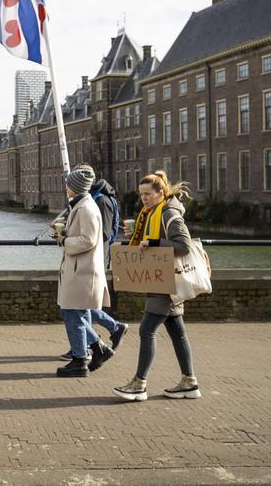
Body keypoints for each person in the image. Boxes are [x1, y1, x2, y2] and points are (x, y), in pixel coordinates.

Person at [113, 171, 201, 401]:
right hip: (162, 282)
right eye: (141, 195)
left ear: (161, 193)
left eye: (148, 194)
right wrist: (135, 237)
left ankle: (139, 384)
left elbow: (183, 246)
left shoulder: (169, 212)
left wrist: (153, 242)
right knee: (178, 333)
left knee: (146, 331)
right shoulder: (150, 213)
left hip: (167, 283)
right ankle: (189, 382)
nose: (144, 198)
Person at [56, 166, 128, 369]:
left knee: (73, 313)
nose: (66, 187)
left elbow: (88, 240)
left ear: (75, 186)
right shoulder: (82, 205)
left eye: (68, 183)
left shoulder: (87, 208)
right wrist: (64, 234)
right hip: (79, 269)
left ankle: (84, 356)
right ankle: (92, 350)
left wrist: (64, 239)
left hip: (83, 270)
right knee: (73, 313)